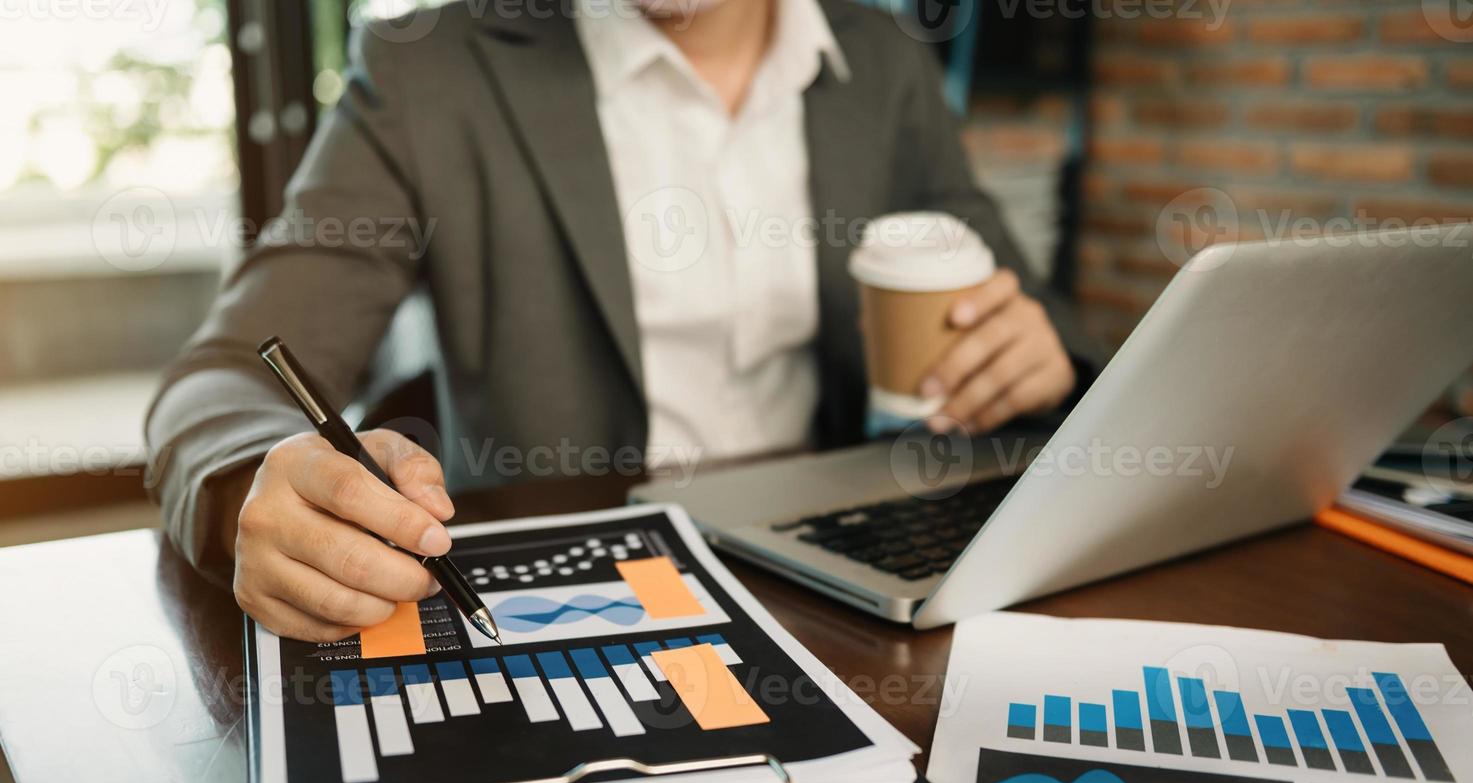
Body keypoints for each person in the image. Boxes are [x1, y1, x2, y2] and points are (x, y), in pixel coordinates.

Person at [145, 0, 1101, 641]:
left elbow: (1033, 318)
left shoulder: (882, 59)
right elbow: (227, 374)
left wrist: (1043, 362)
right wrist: (245, 493)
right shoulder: (431, 71)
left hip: (846, 601)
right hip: (568, 610)